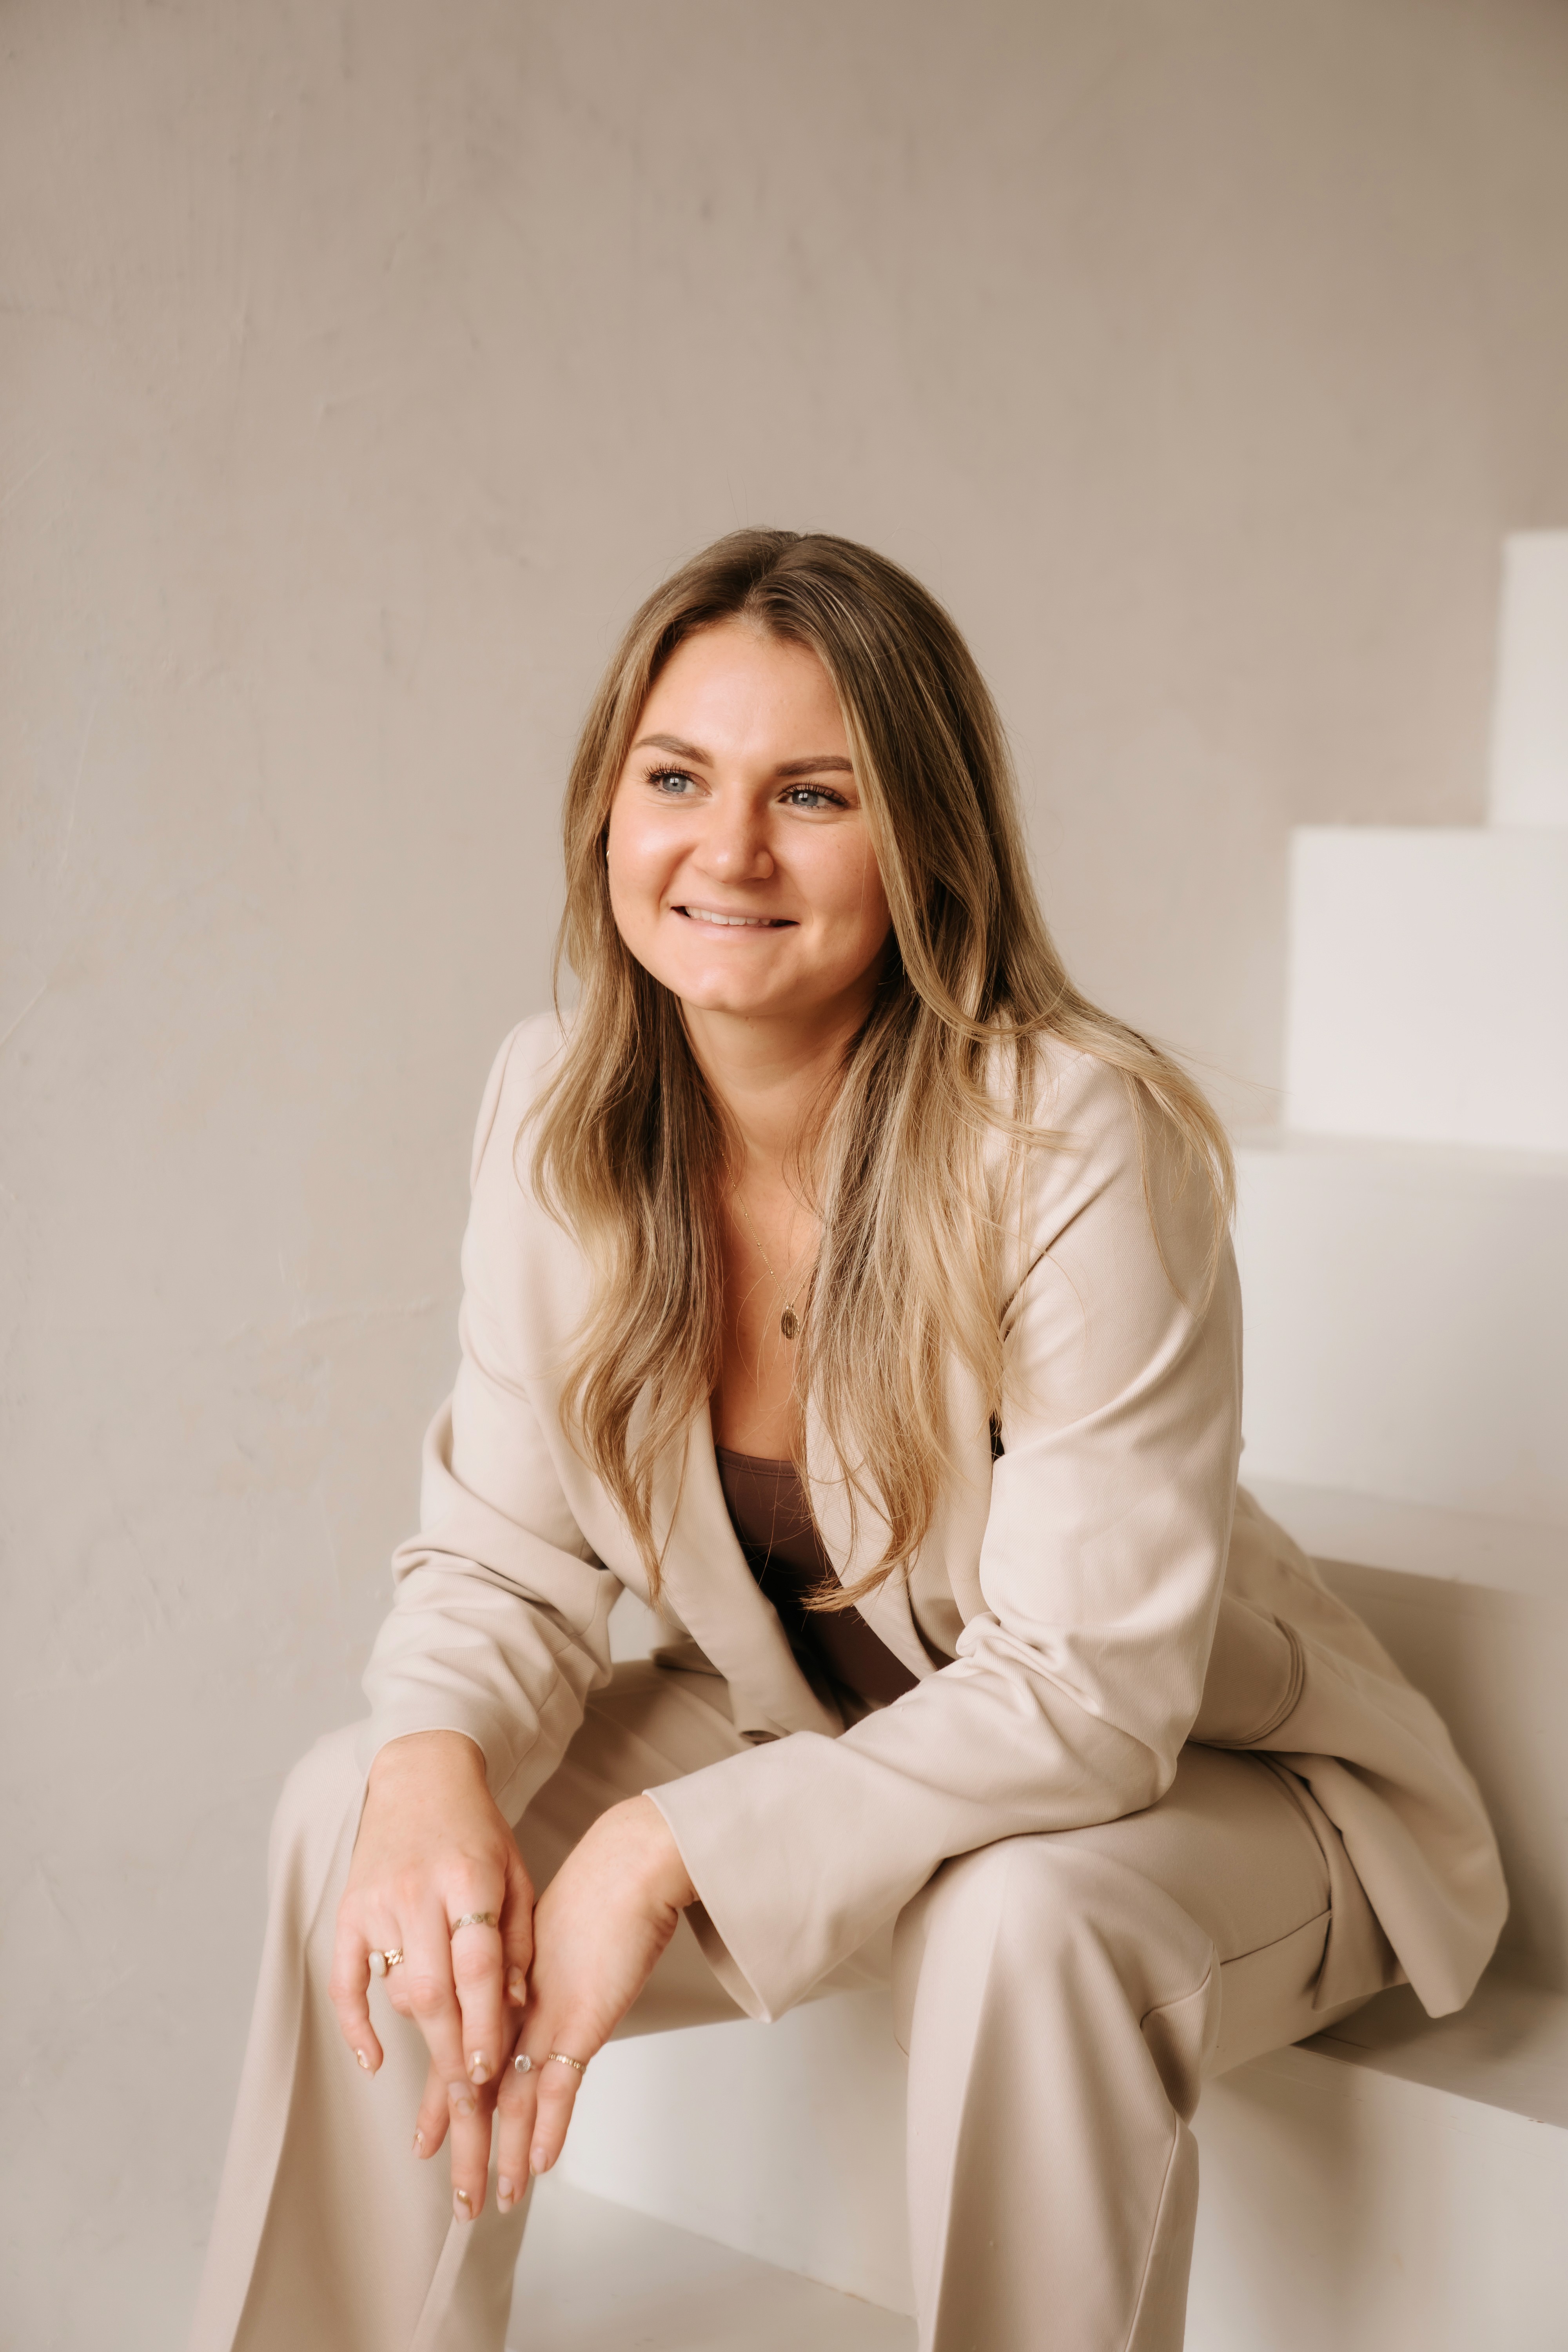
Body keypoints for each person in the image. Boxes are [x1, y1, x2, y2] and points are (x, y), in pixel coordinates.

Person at [190, 530, 1505, 2352]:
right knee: (357, 1811)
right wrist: (429, 1761)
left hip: (1200, 1795)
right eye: (676, 779)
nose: (725, 855)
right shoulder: (552, 1106)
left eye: (811, 794)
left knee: (1020, 1925)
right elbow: (503, 1557)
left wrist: (663, 1849)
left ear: (923, 842)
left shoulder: (1070, 1137)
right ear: (605, 809)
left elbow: (1086, 1700)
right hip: (828, 1745)